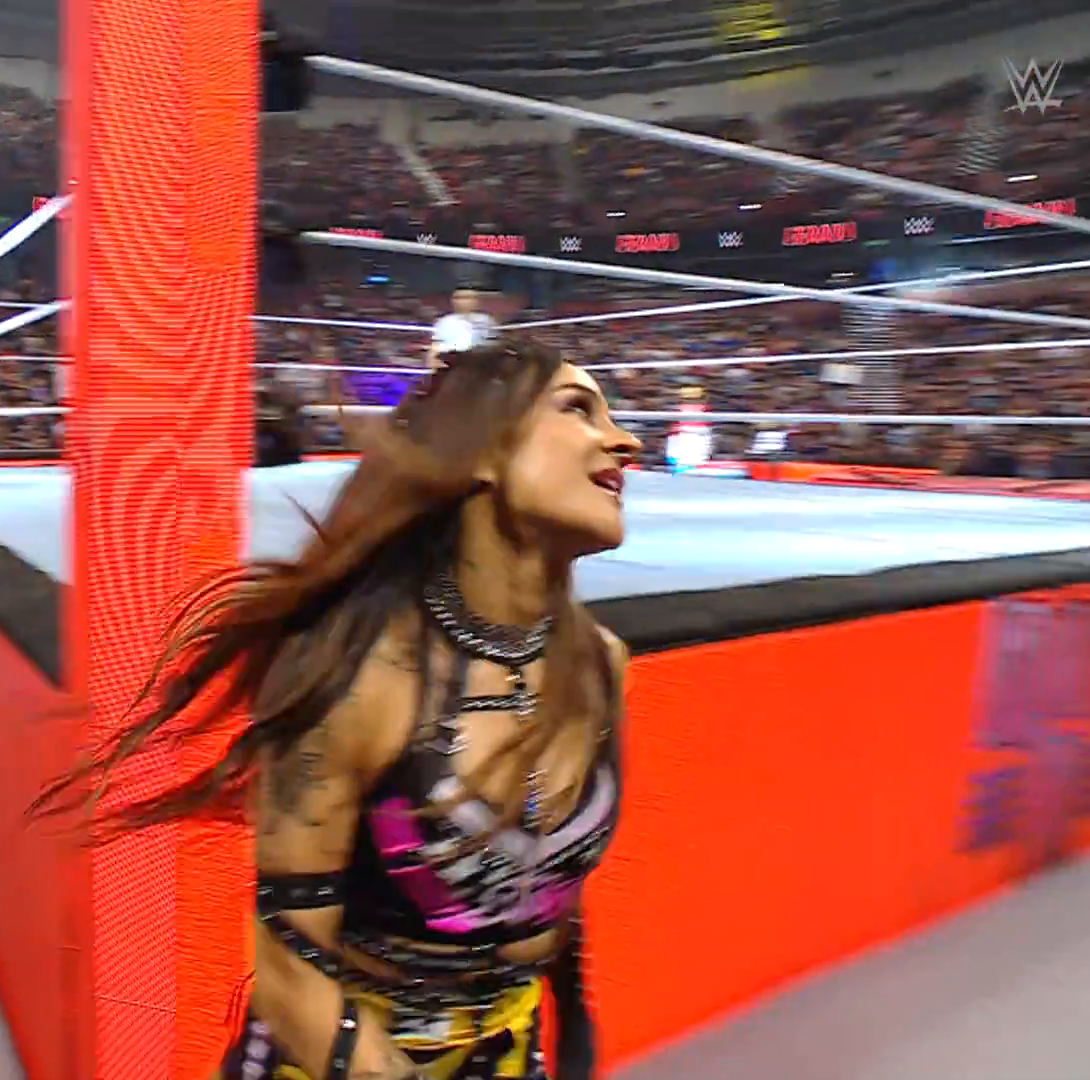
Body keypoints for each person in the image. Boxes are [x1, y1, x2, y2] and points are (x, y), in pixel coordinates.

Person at [34, 341, 641, 1080]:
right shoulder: (362, 675)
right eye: (578, 409)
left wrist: (573, 1027)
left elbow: (553, 877)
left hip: (507, 1049)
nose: (625, 440)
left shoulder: (599, 663)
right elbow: (290, 971)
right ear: (483, 445)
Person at [427, 289, 496, 369]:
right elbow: (436, 345)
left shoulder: (486, 320)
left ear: (476, 301)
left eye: (468, 298)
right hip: (451, 361)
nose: (463, 301)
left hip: (479, 362)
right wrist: (432, 359)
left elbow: (493, 344)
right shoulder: (444, 321)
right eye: (458, 298)